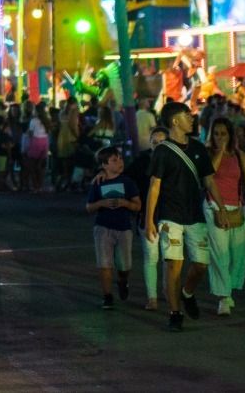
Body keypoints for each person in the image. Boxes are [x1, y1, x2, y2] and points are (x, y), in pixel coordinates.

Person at [144, 101, 217, 333]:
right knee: (173, 264)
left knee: (201, 264)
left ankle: (187, 292)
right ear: (175, 121)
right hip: (170, 215)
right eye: (188, 115)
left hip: (195, 214)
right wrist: (149, 221)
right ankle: (175, 313)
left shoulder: (198, 148)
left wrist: (222, 208)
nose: (192, 118)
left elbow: (209, 180)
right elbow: (154, 186)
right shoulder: (163, 151)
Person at [205, 117, 245, 317]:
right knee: (220, 254)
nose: (220, 137)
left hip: (237, 208)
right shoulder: (208, 153)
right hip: (214, 207)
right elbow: (209, 175)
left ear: (230, 135)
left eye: (223, 134)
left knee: (237, 255)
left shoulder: (239, 155)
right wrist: (219, 151)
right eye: (216, 134)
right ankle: (223, 297)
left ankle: (228, 289)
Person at [85, 145, 140, 309]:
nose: (120, 162)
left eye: (120, 159)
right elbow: (88, 207)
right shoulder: (98, 183)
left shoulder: (127, 182)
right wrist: (102, 203)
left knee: (125, 265)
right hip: (103, 227)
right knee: (104, 264)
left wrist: (125, 203)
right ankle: (107, 296)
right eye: (114, 160)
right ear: (104, 165)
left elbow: (138, 205)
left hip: (124, 227)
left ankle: (123, 281)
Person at [127, 125, 169, 310]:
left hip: (171, 216)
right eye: (155, 143)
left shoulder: (175, 161)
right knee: (151, 257)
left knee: (170, 259)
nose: (158, 146)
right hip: (148, 216)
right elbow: (126, 178)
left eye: (162, 142)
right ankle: (152, 297)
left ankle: (169, 293)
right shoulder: (142, 162)